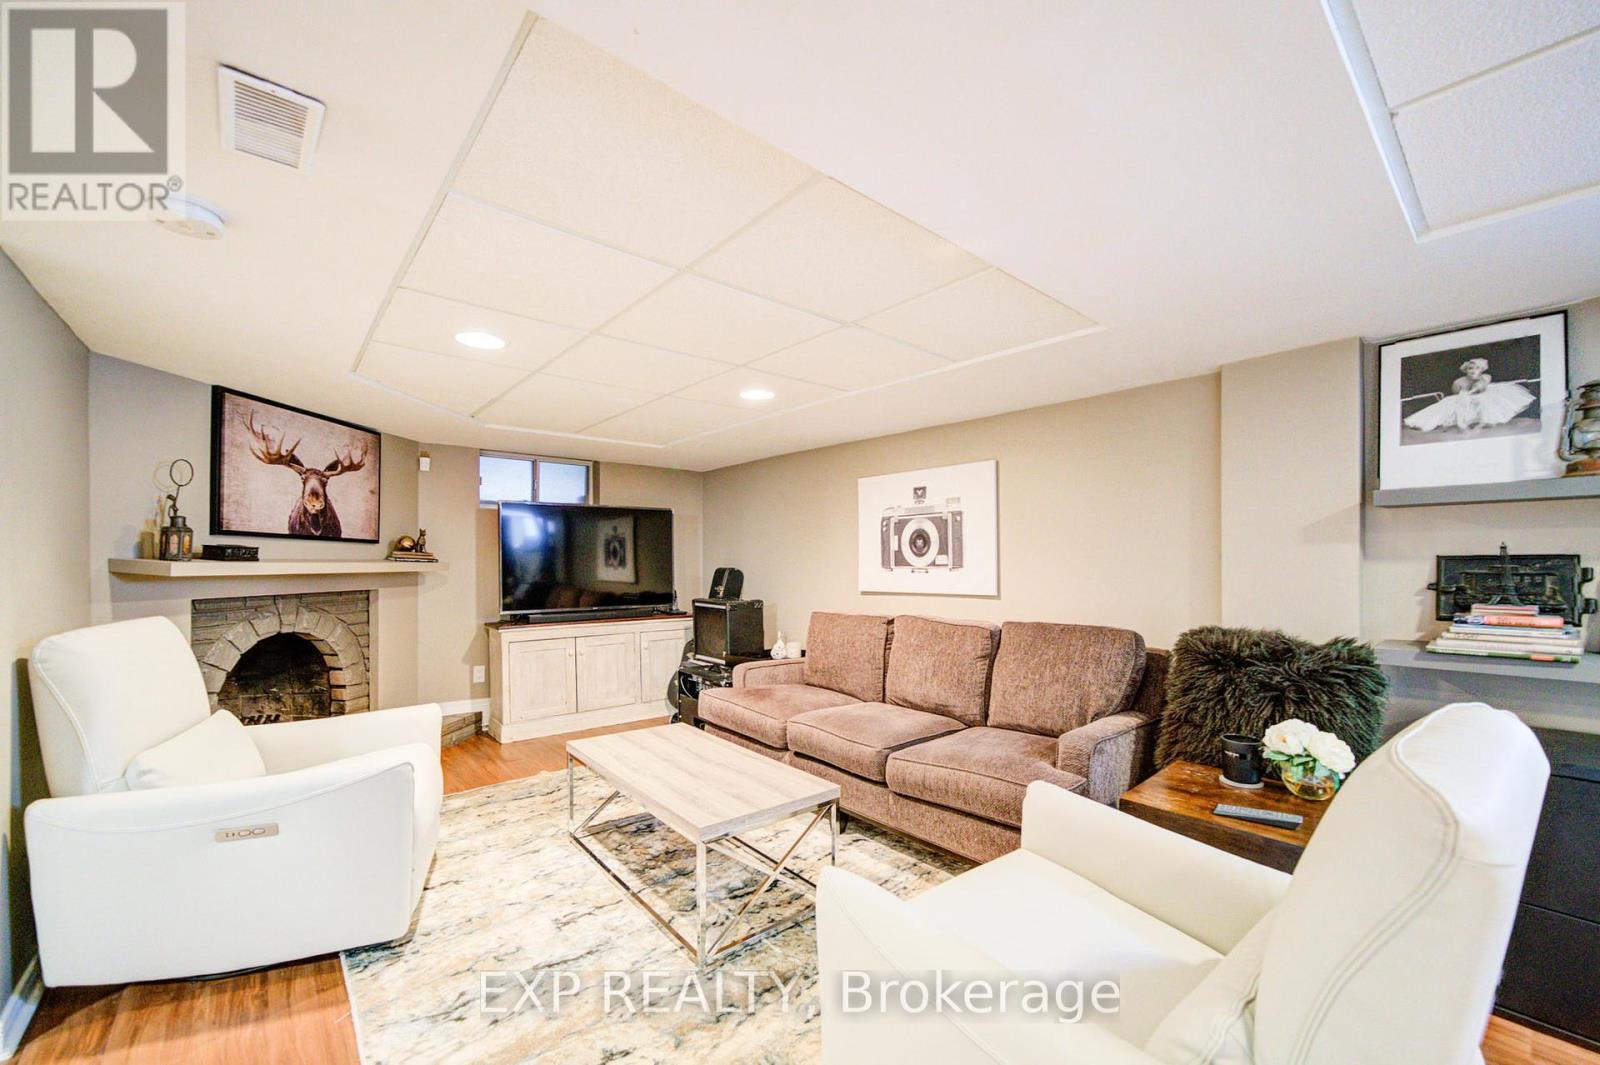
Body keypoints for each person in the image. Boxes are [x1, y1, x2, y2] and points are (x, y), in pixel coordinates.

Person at [1403, 357, 1536, 433]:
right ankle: (1422, 422)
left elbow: (1481, 387)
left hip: (1483, 395)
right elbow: (1456, 393)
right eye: (1470, 368)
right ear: (1465, 370)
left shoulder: (1485, 376)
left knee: (1483, 401)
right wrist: (1464, 394)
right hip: (1466, 397)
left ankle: (1482, 423)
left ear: (1481, 369)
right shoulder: (1459, 381)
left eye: (1476, 368)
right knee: (1449, 403)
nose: (1473, 370)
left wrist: (1472, 389)